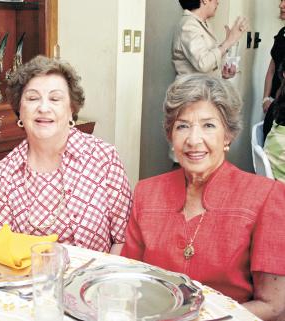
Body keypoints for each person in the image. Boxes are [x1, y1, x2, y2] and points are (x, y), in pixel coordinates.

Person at [122, 74, 285, 320]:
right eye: (182, 126)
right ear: (170, 135)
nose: (193, 140)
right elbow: (130, 278)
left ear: (228, 135)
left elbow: (273, 306)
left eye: (208, 125)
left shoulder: (265, 197)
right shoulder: (147, 193)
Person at [0, 55, 132, 254]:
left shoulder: (104, 158)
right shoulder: (3, 174)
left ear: (71, 109)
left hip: (97, 280)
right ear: (19, 109)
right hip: (30, 283)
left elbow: (123, 239)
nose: (43, 108)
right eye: (32, 98)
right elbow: (1, 251)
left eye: (55, 99)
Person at [172, 0, 247, 79]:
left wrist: (222, 72)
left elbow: (209, 61)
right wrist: (228, 42)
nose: (218, 2)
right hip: (193, 90)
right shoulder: (188, 25)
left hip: (205, 88)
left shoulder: (203, 23)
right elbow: (203, 64)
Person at [262, 0, 285, 113]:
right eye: (281, 1)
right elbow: (272, 69)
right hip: (273, 102)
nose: (280, 5)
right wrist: (266, 99)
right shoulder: (282, 33)